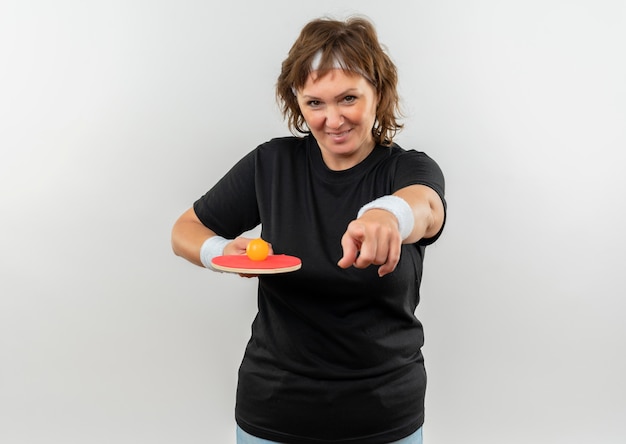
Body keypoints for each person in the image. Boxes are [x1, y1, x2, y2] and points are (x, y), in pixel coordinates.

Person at [171, 16, 446, 444]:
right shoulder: (271, 164)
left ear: (379, 93)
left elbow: (426, 206)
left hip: (385, 416)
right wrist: (222, 252)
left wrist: (387, 215)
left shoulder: (408, 170)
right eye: (315, 102)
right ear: (296, 101)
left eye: (348, 98)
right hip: (274, 413)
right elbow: (185, 230)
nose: (332, 119)